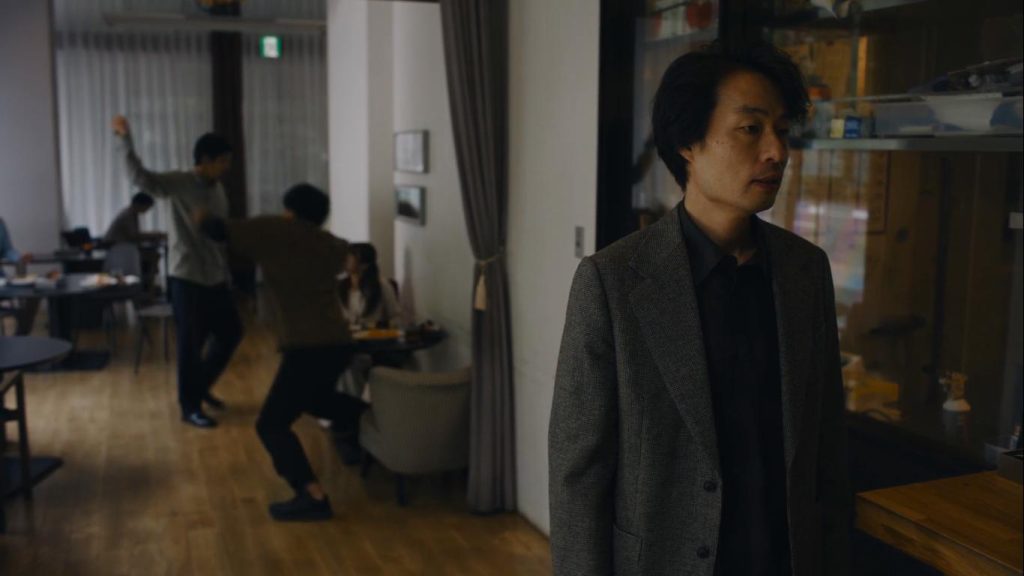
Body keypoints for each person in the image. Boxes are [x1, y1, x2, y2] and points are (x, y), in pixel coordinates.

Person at [549, 41, 851, 576]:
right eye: (750, 128)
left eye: (782, 130)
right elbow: (580, 475)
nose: (777, 151)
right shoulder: (612, 281)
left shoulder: (805, 271)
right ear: (687, 142)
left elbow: (826, 445)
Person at [197, 183, 366, 522]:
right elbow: (350, 257)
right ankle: (370, 417)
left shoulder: (277, 231)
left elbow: (217, 229)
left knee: (271, 425)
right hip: (338, 343)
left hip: (307, 347)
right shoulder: (326, 241)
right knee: (314, 400)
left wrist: (199, 214)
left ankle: (312, 496)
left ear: (290, 210)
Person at [113, 115, 242, 429]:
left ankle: (200, 386)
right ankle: (190, 406)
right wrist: (124, 140)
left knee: (231, 333)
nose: (227, 167)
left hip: (216, 277)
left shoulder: (219, 189)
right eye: (222, 161)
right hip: (187, 278)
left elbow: (220, 233)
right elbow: (141, 177)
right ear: (205, 160)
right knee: (190, 345)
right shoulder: (179, 182)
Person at [104, 192, 166, 292]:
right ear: (139, 204)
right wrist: (156, 235)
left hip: (123, 247)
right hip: (118, 249)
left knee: (154, 256)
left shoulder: (131, 214)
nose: (147, 210)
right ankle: (148, 288)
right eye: (147, 207)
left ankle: (148, 286)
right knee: (153, 257)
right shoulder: (127, 215)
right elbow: (134, 235)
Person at [0, 218, 40, 335]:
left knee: (34, 293)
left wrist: (19, 257)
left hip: (3, 282)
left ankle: (19, 338)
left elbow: (7, 250)